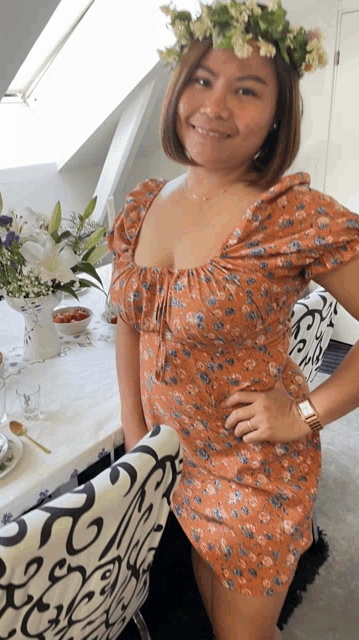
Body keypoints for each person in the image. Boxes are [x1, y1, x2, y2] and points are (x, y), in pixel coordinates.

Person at [106, 2, 359, 639]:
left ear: (279, 113)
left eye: (246, 89)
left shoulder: (291, 215)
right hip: (179, 459)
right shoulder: (146, 202)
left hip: (255, 472)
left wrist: (303, 415)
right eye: (201, 79)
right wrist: (140, 435)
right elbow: (130, 321)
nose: (215, 106)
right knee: (215, 610)